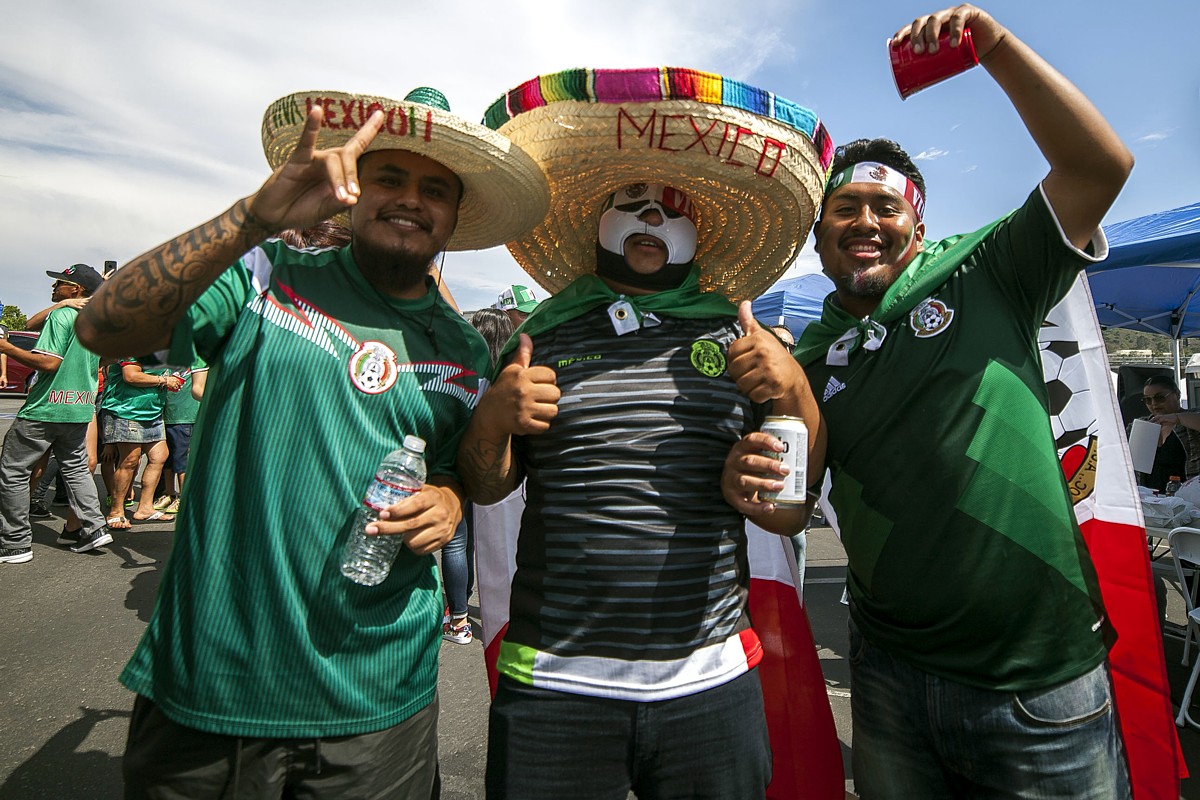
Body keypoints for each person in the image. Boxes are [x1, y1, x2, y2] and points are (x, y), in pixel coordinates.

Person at [74, 87, 548, 798]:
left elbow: (472, 478)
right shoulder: (264, 277)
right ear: (352, 190)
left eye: (435, 189)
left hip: (380, 705)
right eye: (389, 177)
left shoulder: (462, 349)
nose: (410, 199)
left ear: (455, 215)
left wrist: (450, 494)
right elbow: (102, 330)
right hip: (215, 684)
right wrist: (252, 218)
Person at [724, 6, 1134, 797]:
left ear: (918, 224)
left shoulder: (988, 271)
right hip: (888, 678)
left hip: (1039, 680)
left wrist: (996, 48)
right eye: (845, 209)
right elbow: (788, 506)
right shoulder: (803, 357)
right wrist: (745, 478)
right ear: (820, 238)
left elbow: (1098, 166)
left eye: (887, 208)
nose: (866, 222)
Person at [460, 67, 832, 798]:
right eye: (632, 205)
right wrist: (493, 419)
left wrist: (795, 392)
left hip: (710, 686)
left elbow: (788, 509)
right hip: (554, 687)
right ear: (597, 225)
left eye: (672, 208)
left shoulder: (744, 341)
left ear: (700, 232)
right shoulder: (541, 338)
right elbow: (485, 484)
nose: (653, 219)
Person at [0, 264, 111, 562]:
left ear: (76, 289)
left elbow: (48, 363)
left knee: (13, 472)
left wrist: (6, 348)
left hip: (46, 407)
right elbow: (111, 357)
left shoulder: (63, 316)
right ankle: (94, 528)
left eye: (59, 283)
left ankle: (15, 543)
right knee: (75, 469)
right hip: (79, 407)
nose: (53, 288)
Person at [441, 308, 515, 645]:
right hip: (498, 477)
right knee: (492, 542)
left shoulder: (461, 369)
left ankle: (459, 619)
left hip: (455, 469)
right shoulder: (510, 375)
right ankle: (500, 612)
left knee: (458, 542)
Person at [97, 358, 181, 528]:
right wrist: (164, 380)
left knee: (160, 455)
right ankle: (116, 511)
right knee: (130, 460)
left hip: (152, 411)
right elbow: (131, 376)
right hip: (126, 410)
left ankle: (145, 508)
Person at [1135, 375, 1200, 491]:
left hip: (1189, 500)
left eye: (1160, 398)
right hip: (1151, 499)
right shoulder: (1141, 425)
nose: (1154, 403)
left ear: (1177, 395)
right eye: (1147, 400)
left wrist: (1177, 418)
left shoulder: (1190, 418)